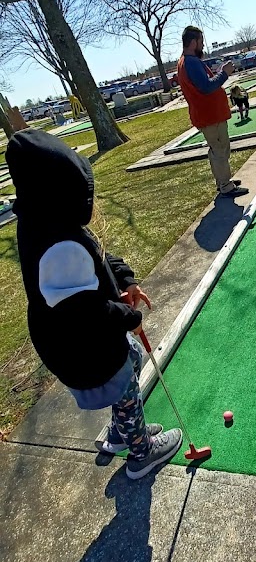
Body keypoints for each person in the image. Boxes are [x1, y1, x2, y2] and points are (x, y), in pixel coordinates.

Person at [6, 130, 182, 480]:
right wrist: (129, 317)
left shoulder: (50, 222)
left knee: (132, 359)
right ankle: (141, 453)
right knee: (125, 386)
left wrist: (126, 279)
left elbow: (97, 256)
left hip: (87, 336)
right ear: (58, 193)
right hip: (82, 346)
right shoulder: (56, 245)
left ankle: (119, 433)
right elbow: (85, 311)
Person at [177, 26, 249, 197]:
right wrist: (224, 74)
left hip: (208, 115)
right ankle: (226, 186)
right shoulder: (191, 62)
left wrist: (218, 73)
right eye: (201, 41)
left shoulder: (186, 62)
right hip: (210, 116)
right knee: (220, 150)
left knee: (217, 150)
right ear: (193, 42)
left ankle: (222, 182)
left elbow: (204, 83)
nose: (203, 45)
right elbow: (206, 87)